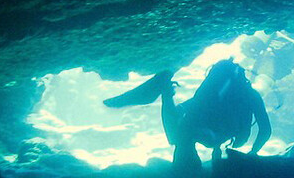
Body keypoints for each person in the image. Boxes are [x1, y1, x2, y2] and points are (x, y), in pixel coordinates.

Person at [103, 58, 271, 170]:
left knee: (181, 136)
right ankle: (165, 91)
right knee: (186, 136)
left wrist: (169, 100)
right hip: (214, 134)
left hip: (195, 128)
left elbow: (189, 108)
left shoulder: (212, 91)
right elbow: (265, 130)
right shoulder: (250, 94)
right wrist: (253, 152)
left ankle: (165, 90)